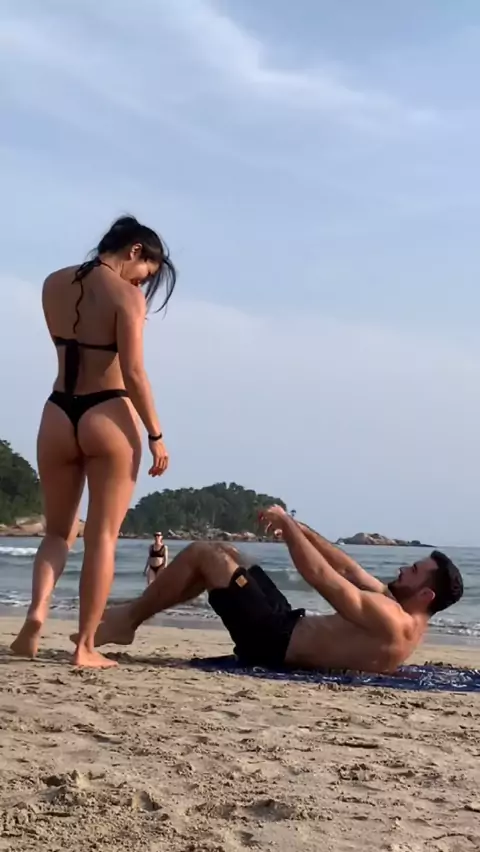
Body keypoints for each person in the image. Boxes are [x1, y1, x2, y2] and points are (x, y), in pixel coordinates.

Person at [11, 215, 176, 668]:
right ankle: (84, 646)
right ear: (135, 250)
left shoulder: (52, 283)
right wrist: (156, 434)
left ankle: (37, 612)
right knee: (102, 536)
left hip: (57, 412)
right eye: (145, 274)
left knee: (57, 533)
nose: (142, 284)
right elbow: (134, 372)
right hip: (108, 412)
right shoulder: (126, 296)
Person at [75, 505, 464, 674]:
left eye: (414, 571)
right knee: (227, 555)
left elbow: (321, 576)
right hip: (284, 625)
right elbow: (346, 568)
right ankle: (128, 616)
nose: (403, 569)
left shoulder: (390, 618)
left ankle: (126, 620)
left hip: (271, 640)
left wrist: (288, 527)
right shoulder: (406, 616)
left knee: (204, 554)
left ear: (426, 594)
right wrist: (300, 529)